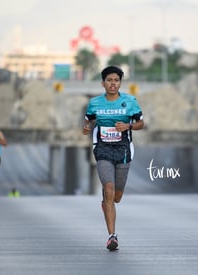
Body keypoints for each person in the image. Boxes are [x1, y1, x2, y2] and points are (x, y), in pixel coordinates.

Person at [83, 65, 144, 251]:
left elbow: (141, 123)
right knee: (108, 190)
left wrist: (129, 127)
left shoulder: (130, 101)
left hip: (123, 150)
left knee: (117, 197)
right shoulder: (94, 103)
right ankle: (112, 236)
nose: (113, 84)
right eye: (109, 80)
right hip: (102, 149)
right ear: (103, 83)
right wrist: (85, 128)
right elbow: (87, 121)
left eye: (116, 80)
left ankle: (108, 201)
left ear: (120, 83)